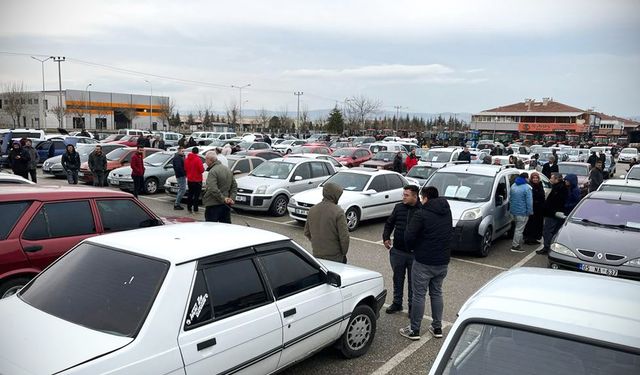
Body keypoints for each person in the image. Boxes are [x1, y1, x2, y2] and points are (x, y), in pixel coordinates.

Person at [401, 186, 453, 340]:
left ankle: (414, 329)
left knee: (419, 295)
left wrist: (411, 248)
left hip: (424, 260)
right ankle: (437, 327)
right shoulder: (446, 211)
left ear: (425, 198)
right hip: (442, 261)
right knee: (436, 293)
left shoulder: (421, 214)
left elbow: (409, 236)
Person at [382, 185, 421, 314]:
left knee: (412, 282)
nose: (403, 197)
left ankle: (412, 307)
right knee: (397, 279)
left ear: (415, 196)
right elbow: (389, 223)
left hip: (414, 254)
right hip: (398, 251)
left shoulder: (422, 210)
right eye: (403, 194)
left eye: (406, 195)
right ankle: (397, 303)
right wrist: (386, 237)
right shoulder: (399, 207)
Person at [304, 182, 350, 263]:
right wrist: (343, 253)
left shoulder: (312, 210)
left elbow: (307, 232)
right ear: (335, 195)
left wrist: (317, 243)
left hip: (317, 255)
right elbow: (344, 237)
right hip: (335, 257)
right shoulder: (338, 212)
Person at [537, 173, 567, 255]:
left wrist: (549, 210)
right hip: (553, 213)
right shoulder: (559, 187)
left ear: (556, 179)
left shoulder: (559, 189)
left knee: (547, 231)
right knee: (551, 231)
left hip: (552, 214)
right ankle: (548, 247)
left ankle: (547, 247)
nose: (550, 179)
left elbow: (555, 202)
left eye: (552, 178)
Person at [202, 151, 237, 223]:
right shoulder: (227, 169)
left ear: (210, 160)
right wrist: (231, 198)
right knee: (225, 227)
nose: (205, 162)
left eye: (206, 160)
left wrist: (223, 199)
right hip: (226, 205)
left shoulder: (213, 171)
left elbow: (212, 188)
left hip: (213, 204)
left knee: (211, 227)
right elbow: (234, 186)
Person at [509, 172, 533, 253]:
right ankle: (515, 246)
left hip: (513, 211)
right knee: (519, 229)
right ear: (526, 178)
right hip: (523, 212)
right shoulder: (527, 188)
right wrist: (530, 211)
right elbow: (529, 202)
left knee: (517, 228)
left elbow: (510, 198)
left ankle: (517, 243)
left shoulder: (513, 185)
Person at [524, 172, 546, 245]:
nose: (535, 179)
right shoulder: (530, 186)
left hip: (539, 209)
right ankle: (528, 238)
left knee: (537, 224)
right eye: (534, 178)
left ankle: (534, 238)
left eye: (536, 178)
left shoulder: (540, 185)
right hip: (532, 208)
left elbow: (542, 195)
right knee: (530, 224)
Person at [185, 147, 205, 213]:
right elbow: (202, 170)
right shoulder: (198, 159)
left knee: (190, 194)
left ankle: (189, 208)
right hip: (197, 180)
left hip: (190, 179)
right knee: (196, 195)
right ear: (198, 152)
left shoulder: (187, 159)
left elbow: (185, 168)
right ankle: (195, 209)